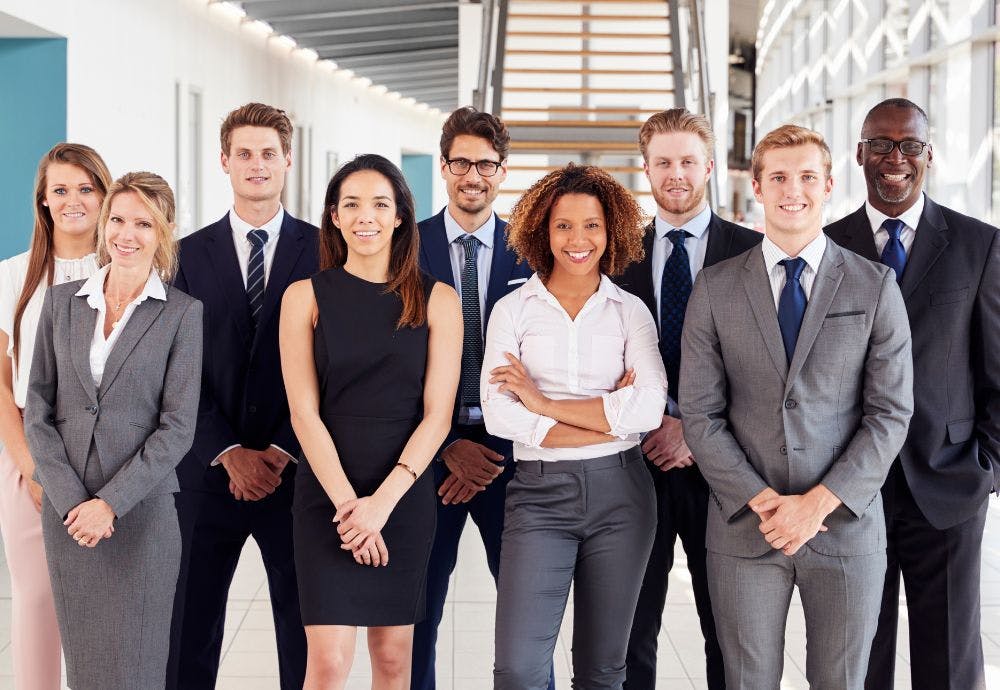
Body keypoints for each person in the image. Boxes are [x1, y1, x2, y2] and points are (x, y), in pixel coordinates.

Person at [680, 125, 913, 689]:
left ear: (829, 184)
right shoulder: (715, 287)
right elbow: (700, 413)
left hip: (844, 527)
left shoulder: (875, 285)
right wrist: (763, 502)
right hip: (744, 527)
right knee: (748, 680)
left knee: (841, 681)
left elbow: (890, 413)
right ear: (756, 187)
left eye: (807, 177)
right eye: (779, 177)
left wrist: (816, 506)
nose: (794, 190)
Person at [825, 98, 1000, 690]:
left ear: (928, 156)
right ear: (859, 154)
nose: (894, 158)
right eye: (880, 144)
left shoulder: (979, 246)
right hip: (850, 489)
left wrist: (987, 468)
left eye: (909, 146)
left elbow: (997, 371)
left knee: (949, 661)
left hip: (948, 485)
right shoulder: (826, 247)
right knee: (857, 657)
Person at [279, 153, 462, 689]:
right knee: (329, 663)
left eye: (380, 204)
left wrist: (380, 506)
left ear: (401, 215)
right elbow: (302, 412)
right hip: (327, 496)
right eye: (351, 204)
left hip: (402, 495)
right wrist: (349, 509)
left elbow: (438, 415)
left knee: (391, 659)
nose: (366, 216)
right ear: (333, 216)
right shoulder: (304, 297)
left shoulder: (437, 300)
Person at [482, 163, 667, 689]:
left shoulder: (630, 312)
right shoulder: (512, 311)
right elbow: (500, 414)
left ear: (611, 233)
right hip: (538, 498)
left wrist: (541, 402)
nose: (578, 239)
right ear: (543, 229)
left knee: (603, 668)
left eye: (592, 225)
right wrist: (607, 416)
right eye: (563, 225)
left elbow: (648, 410)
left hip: (622, 497)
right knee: (518, 669)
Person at [24, 171, 202, 690]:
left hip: (140, 517)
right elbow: (37, 406)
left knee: (139, 668)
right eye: (118, 220)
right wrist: (70, 499)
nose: (127, 234)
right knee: (85, 668)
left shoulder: (183, 316)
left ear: (164, 230)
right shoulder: (61, 304)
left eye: (142, 223)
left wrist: (109, 503)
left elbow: (177, 428)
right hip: (69, 516)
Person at [615, 108, 762, 690]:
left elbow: (764, 371)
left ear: (708, 166)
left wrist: (694, 434)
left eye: (687, 161)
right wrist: (654, 423)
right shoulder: (617, 255)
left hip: (725, 475)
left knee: (727, 634)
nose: (675, 174)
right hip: (636, 469)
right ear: (645, 169)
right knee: (630, 632)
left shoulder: (753, 252)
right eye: (662, 163)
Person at [169, 102, 314, 690]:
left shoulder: (326, 249)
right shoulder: (183, 255)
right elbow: (174, 370)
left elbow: (335, 365)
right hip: (206, 475)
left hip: (299, 475)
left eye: (269, 154)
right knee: (189, 631)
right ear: (224, 161)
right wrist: (227, 449)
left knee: (303, 632)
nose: (257, 165)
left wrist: (280, 448)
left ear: (287, 161)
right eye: (245, 154)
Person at [411, 106, 534, 690]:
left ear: (502, 171)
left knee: (525, 626)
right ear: (443, 167)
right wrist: (446, 449)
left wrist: (494, 453)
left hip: (510, 462)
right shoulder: (405, 247)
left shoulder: (533, 251)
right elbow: (392, 365)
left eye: (486, 164)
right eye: (461, 162)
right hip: (426, 459)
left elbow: (547, 364)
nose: (473, 176)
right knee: (417, 620)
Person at [0, 143, 111, 690]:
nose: (74, 200)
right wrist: (30, 465)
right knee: (38, 597)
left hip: (112, 456)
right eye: (60, 190)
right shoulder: (11, 276)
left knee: (105, 601)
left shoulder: (130, 271)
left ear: (105, 195)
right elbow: (0, 379)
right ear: (43, 201)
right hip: (29, 453)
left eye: (86, 188)